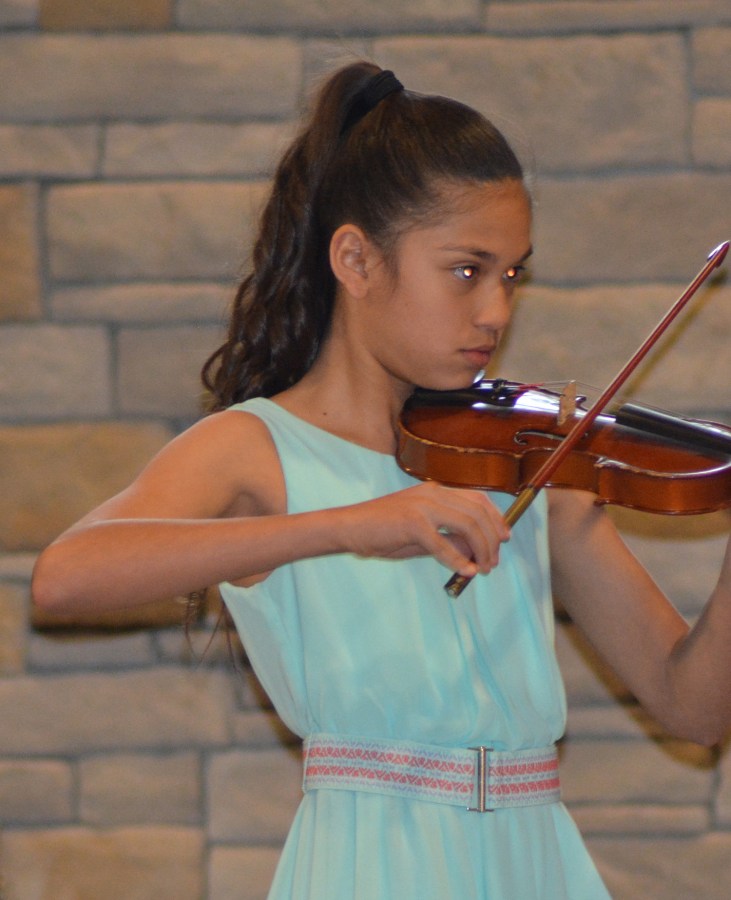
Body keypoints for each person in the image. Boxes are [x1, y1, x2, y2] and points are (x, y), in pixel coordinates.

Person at [32, 61, 731, 899]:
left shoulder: (532, 460)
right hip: (374, 862)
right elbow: (65, 577)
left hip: (535, 859)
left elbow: (694, 709)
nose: (496, 312)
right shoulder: (257, 447)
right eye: (467, 270)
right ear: (356, 260)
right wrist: (351, 525)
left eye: (511, 274)